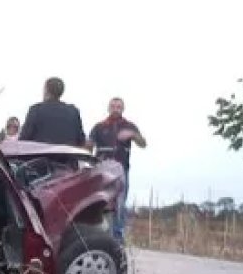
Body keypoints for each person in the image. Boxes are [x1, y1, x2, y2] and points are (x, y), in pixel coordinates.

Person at [88, 98, 147, 242]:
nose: (116, 109)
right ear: (108, 108)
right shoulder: (99, 126)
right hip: (102, 170)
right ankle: (98, 234)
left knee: (120, 203)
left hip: (122, 170)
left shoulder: (129, 126)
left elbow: (143, 144)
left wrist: (133, 135)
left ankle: (118, 237)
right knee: (99, 201)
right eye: (113, 106)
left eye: (119, 106)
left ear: (123, 109)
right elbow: (89, 145)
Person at [20, 77, 85, 146]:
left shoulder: (36, 109)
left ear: (46, 90)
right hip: (67, 152)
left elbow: (24, 138)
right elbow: (81, 140)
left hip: (42, 152)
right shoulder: (73, 111)